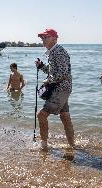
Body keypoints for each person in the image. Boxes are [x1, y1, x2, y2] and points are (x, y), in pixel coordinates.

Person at [35, 28, 74, 157]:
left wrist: (47, 81)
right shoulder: (53, 52)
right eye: (42, 38)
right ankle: (72, 145)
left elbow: (62, 74)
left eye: (45, 37)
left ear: (54, 39)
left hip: (60, 89)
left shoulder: (59, 52)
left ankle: (44, 146)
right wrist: (42, 67)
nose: (43, 40)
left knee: (41, 115)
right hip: (62, 88)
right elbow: (54, 72)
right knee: (65, 117)